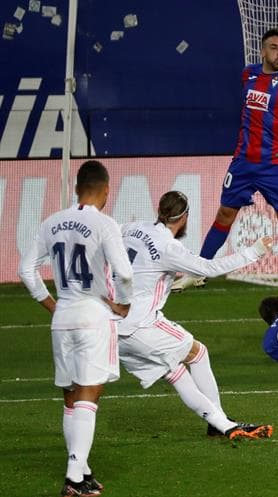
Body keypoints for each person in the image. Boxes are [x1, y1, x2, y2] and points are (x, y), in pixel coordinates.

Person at [173, 28, 278, 334]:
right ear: (263, 51)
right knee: (224, 215)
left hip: (275, 167)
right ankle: (198, 271)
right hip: (242, 163)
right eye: (274, 48)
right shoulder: (248, 76)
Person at [117, 191, 275, 440]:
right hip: (139, 325)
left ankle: (219, 423)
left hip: (109, 324)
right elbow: (209, 268)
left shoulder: (130, 228)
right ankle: (220, 423)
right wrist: (253, 252)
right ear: (185, 217)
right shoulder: (169, 247)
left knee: (175, 371)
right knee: (197, 353)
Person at [18, 160, 133, 497]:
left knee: (70, 397)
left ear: (77, 187)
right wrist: (124, 303)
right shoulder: (105, 223)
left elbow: (27, 271)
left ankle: (81, 469)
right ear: (106, 189)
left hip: (63, 316)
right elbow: (124, 274)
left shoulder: (51, 222)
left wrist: (52, 304)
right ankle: (74, 477)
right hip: (93, 315)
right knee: (90, 393)